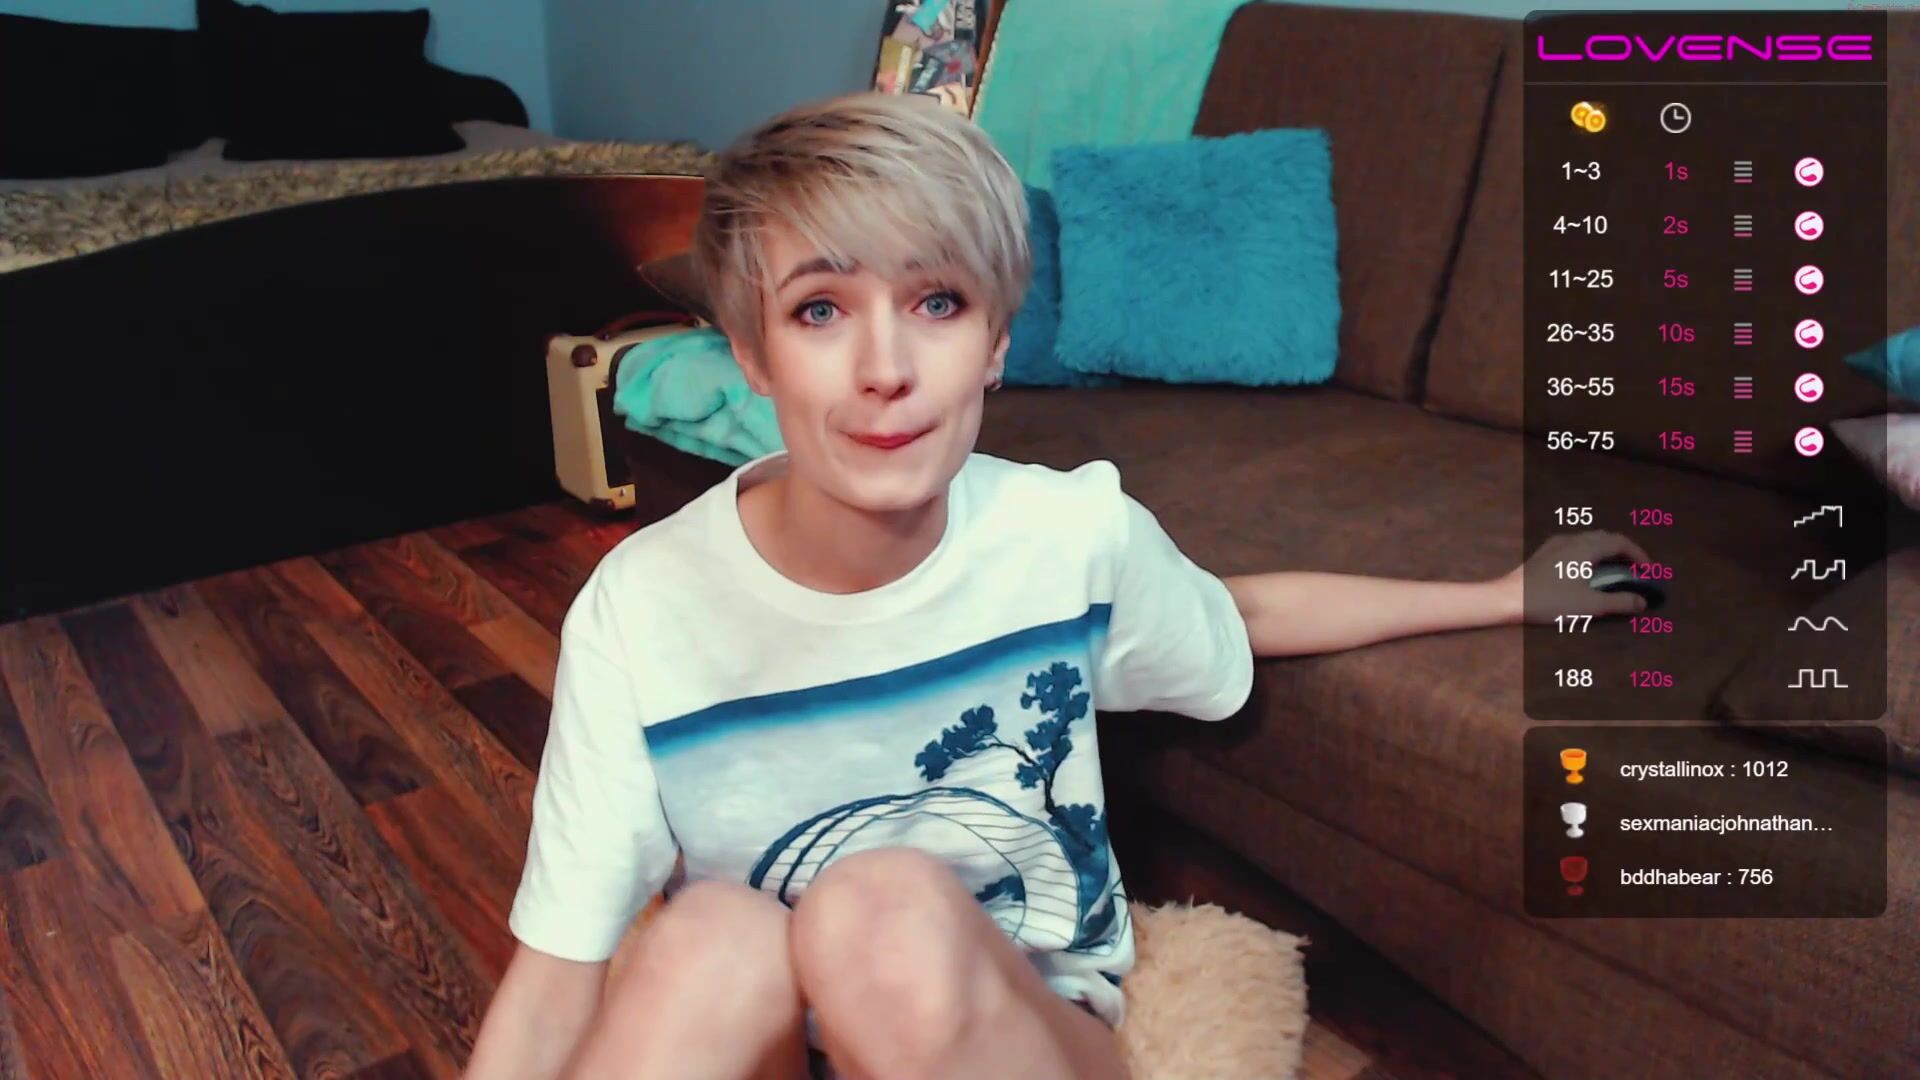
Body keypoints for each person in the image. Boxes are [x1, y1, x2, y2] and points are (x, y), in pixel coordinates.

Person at [463, 91, 1649, 1080]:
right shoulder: (641, 607)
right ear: (753, 356)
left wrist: (1502, 596)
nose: (886, 368)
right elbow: (557, 980)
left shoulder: (1069, 535)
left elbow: (1241, 612)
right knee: (708, 939)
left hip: (1018, 1024)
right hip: (789, 1038)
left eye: (936, 303)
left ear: (995, 343)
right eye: (820, 311)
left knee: (877, 913)